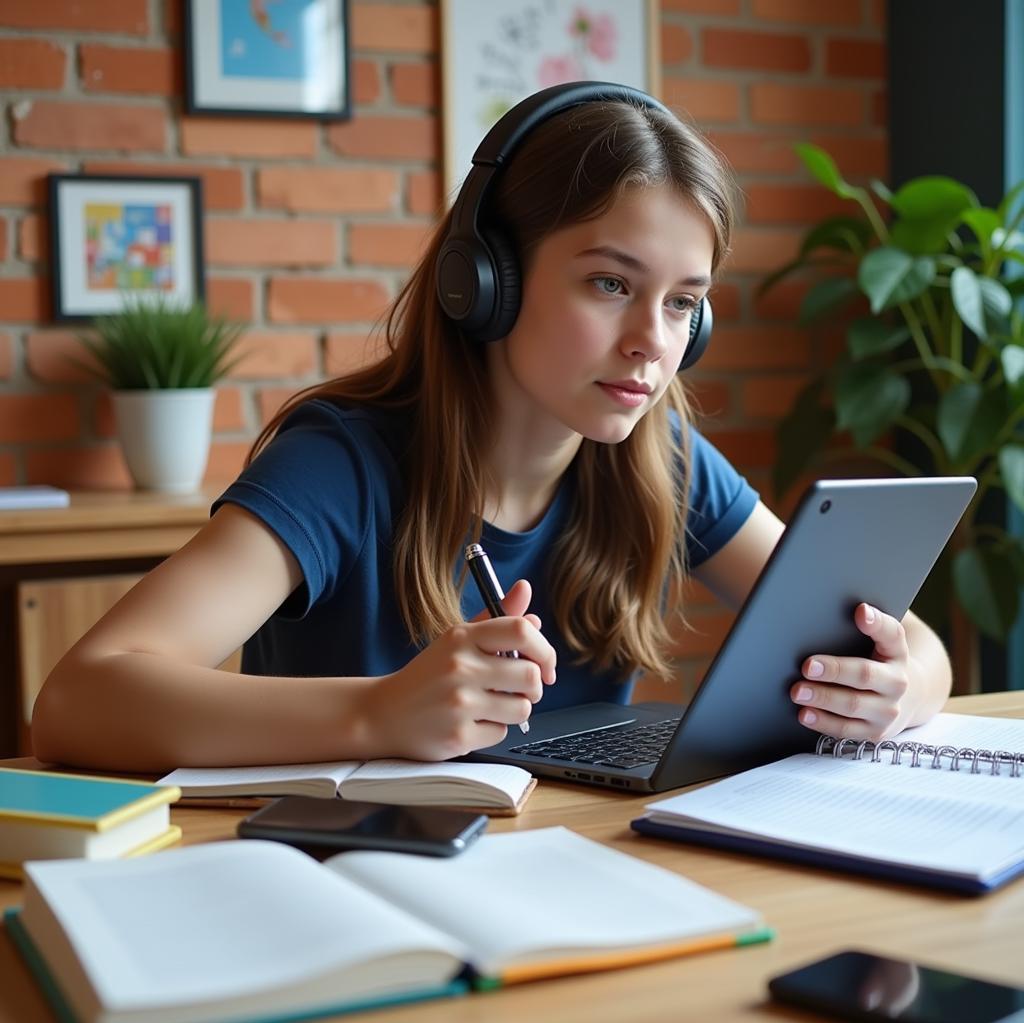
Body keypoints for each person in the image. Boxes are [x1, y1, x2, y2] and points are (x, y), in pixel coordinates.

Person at [32, 83, 952, 773]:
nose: (650, 343)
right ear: (485, 282)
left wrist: (902, 688)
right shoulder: (342, 462)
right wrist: (377, 715)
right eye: (609, 284)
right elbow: (78, 699)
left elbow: (912, 643)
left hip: (572, 873)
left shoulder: (659, 454)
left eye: (683, 305)